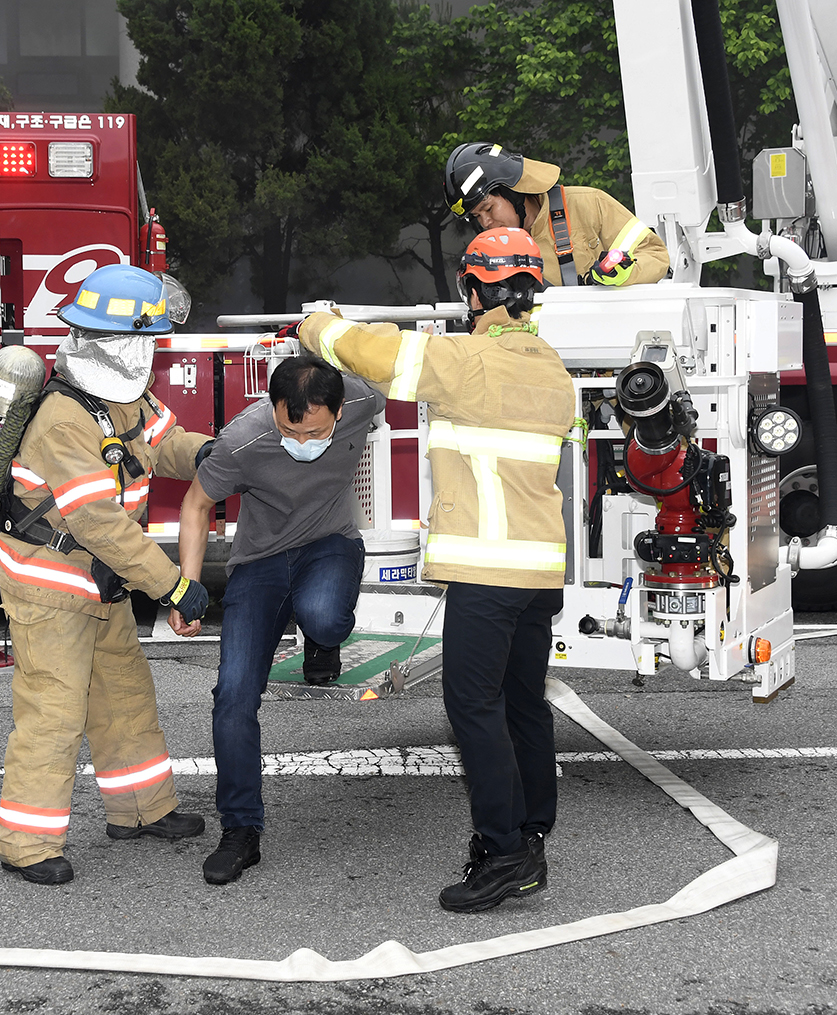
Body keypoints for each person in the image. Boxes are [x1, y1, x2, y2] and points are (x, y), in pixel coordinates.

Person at [292, 227, 575, 913]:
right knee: (524, 705)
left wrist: (316, 322)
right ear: (532, 291)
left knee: (472, 707)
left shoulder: (466, 361)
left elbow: (374, 353)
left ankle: (503, 853)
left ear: (473, 290)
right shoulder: (552, 370)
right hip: (539, 572)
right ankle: (532, 837)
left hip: (487, 568)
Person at [0, 264, 212, 885]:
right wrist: (171, 584)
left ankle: (141, 810)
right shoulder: (65, 417)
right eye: (148, 338)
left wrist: (216, 452)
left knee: (123, 697)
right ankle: (27, 845)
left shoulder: (119, 395)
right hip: (52, 586)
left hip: (99, 584)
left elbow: (164, 443)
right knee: (53, 714)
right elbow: (99, 523)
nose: (153, 350)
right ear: (124, 341)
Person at [173, 354, 385, 885]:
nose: (302, 439)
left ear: (341, 412)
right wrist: (186, 589)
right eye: (290, 428)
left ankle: (321, 638)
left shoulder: (364, 400)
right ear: (272, 407)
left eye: (315, 431)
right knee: (234, 696)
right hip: (260, 563)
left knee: (325, 618)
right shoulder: (242, 441)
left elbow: (381, 359)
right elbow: (196, 505)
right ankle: (241, 830)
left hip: (330, 544)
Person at [443, 142, 670, 287]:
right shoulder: (489, 255)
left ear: (513, 191)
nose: (486, 223)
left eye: (488, 208)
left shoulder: (588, 204)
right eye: (476, 217)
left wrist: (624, 274)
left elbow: (656, 255)